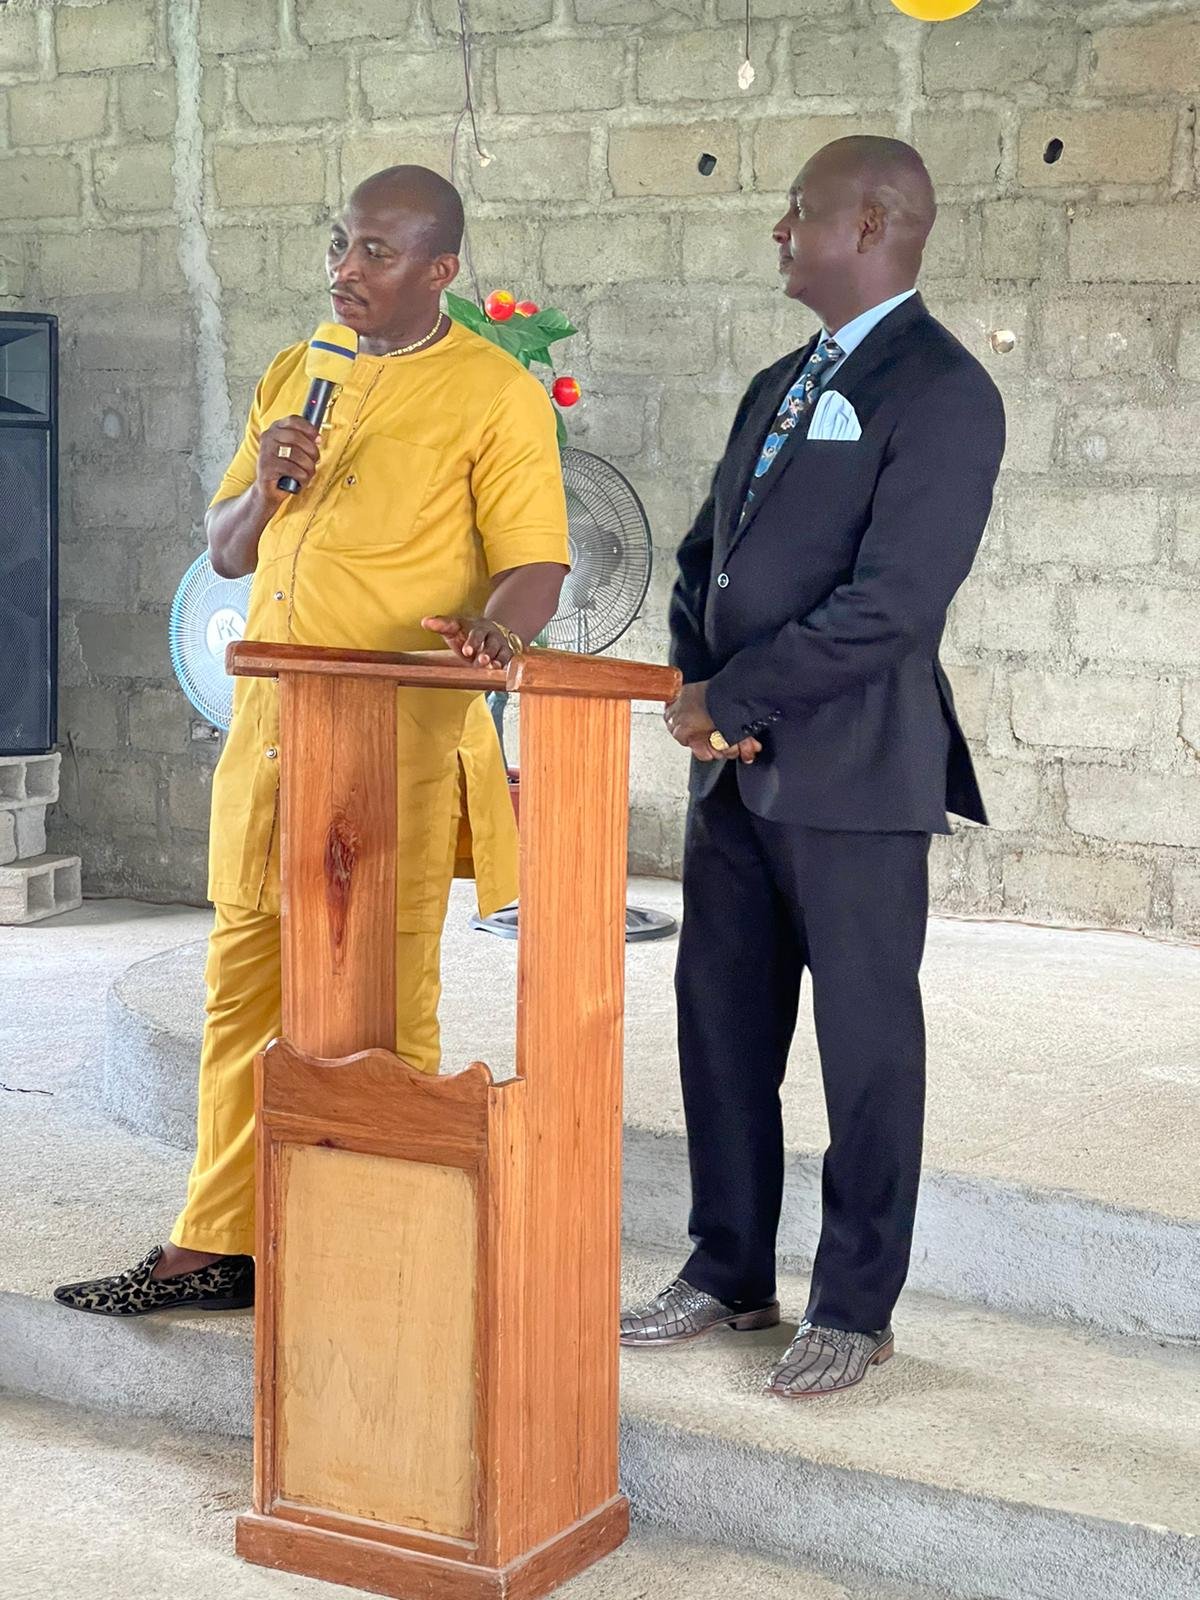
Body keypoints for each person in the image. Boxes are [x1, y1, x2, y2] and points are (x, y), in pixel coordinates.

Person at [54, 165, 569, 1317]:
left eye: (379, 253)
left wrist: (499, 628)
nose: (347, 269)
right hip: (272, 738)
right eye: (342, 244)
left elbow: (537, 556)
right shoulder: (299, 371)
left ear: (443, 270)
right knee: (242, 982)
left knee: (383, 999)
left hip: (394, 744)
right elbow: (227, 550)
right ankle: (218, 1240)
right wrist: (269, 489)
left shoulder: (495, 393)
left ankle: (386, 1237)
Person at [620, 137, 1005, 1396]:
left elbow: (895, 602)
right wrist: (701, 696)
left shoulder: (944, 391)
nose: (780, 231)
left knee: (865, 1043)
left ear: (876, 220)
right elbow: (700, 555)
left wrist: (735, 695)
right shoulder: (778, 382)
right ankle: (729, 1267)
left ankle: (855, 1302)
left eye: (800, 211)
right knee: (720, 1028)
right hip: (733, 768)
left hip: (854, 775)